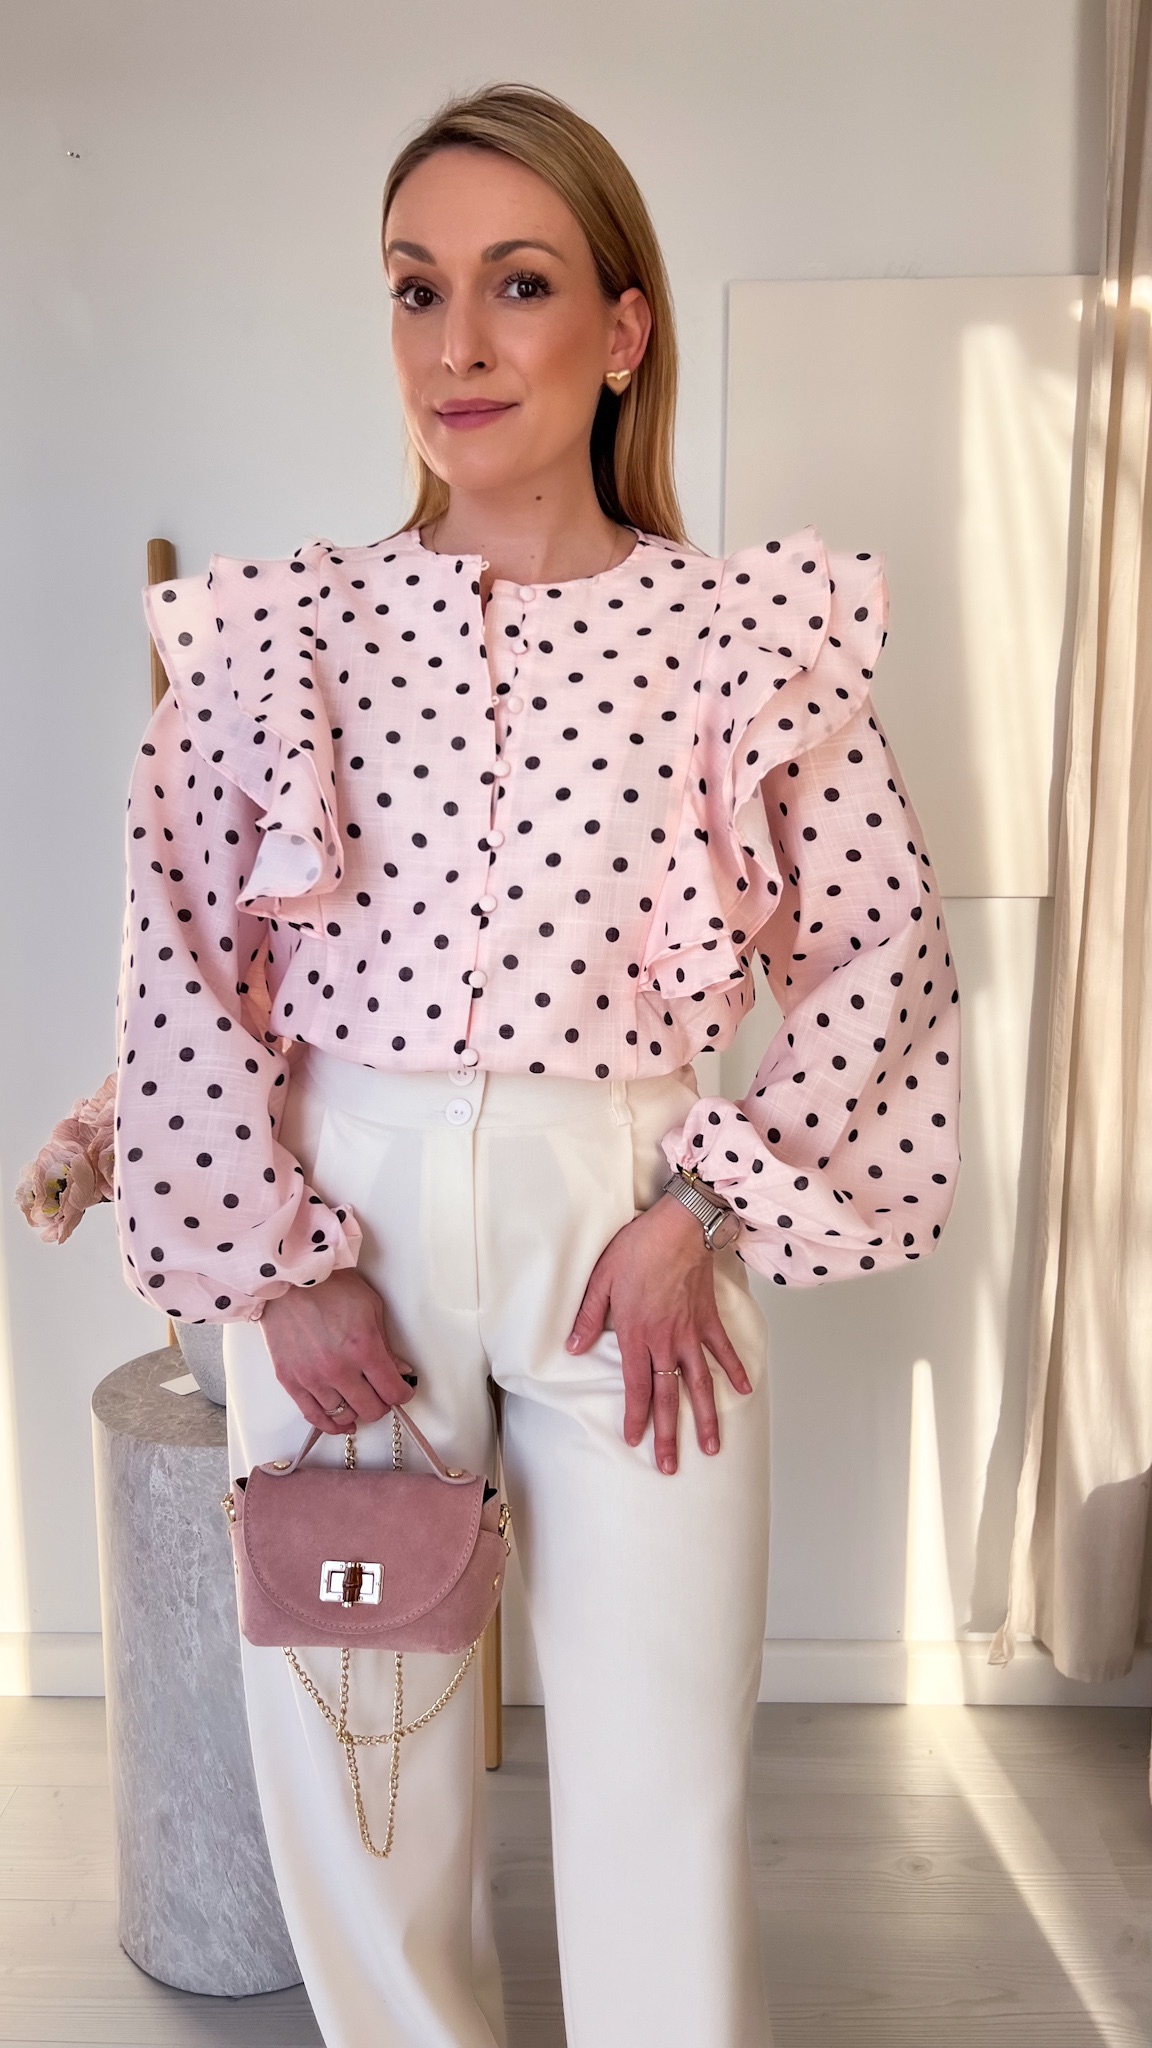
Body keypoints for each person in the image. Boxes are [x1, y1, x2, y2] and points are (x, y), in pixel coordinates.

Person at [112, 79, 961, 2048]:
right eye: (417, 289)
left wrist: (704, 1211)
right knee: (364, 1777)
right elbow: (182, 958)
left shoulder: (742, 637)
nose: (459, 344)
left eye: (518, 284)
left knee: (664, 1772)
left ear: (623, 327)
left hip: (632, 1222)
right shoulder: (287, 632)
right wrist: (277, 1263)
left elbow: (883, 955)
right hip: (347, 1222)